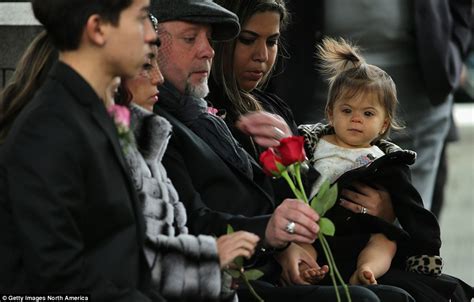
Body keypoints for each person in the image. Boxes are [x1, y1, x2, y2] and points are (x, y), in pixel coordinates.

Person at [150, 0, 414, 301]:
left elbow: (287, 204)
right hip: (238, 277)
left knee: (421, 291)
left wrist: (377, 210)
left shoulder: (239, 112)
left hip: (289, 260)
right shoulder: (164, 125)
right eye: (247, 40)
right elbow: (197, 221)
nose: (207, 50)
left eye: (272, 41)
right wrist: (277, 240)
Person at [0, 0, 162, 299]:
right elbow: (59, 281)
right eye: (139, 17)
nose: (151, 35)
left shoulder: (89, 113)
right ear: (98, 29)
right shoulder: (47, 129)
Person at [269, 0, 473, 212]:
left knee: (411, 222)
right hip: (314, 103)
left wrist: (454, 50)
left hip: (419, 108)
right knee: (319, 219)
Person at [116, 25, 260, 300]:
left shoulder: (149, 135)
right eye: (146, 65)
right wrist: (212, 260)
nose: (158, 78)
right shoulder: (132, 140)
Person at [298, 37, 444, 290]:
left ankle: (366, 270)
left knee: (386, 241)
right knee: (299, 240)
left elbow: (414, 211)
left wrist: (427, 253)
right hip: (315, 228)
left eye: (368, 114)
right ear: (330, 112)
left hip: (361, 234)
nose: (356, 119)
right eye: (347, 111)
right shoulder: (309, 146)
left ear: (384, 124)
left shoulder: (387, 162)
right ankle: (307, 270)